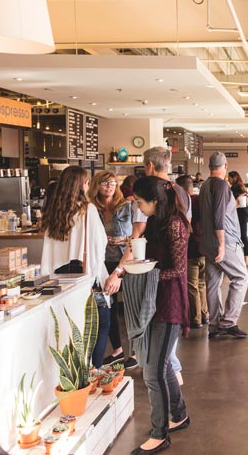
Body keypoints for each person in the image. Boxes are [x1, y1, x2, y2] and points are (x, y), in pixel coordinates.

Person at [131, 175, 190, 455]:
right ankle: (178, 415)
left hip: (170, 304)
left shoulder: (176, 225)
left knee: (153, 372)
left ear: (154, 201)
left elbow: (179, 270)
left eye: (140, 202)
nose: (139, 207)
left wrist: (147, 275)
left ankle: (160, 434)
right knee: (162, 365)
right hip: (155, 301)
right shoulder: (155, 222)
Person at [39, 166, 114, 369]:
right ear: (82, 185)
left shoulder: (53, 212)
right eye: (87, 182)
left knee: (66, 327)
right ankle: (93, 370)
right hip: (84, 279)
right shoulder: (87, 209)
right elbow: (99, 244)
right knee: (99, 324)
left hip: (56, 279)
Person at [88, 171, 136, 369]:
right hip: (102, 263)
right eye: (105, 183)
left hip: (125, 260)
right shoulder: (92, 209)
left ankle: (135, 352)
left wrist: (122, 241)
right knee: (108, 308)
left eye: (113, 183)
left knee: (132, 307)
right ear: (97, 185)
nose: (110, 187)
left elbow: (135, 234)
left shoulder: (126, 207)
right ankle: (117, 350)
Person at [199, 152, 248, 339]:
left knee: (213, 283)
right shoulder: (221, 185)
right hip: (224, 242)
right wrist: (221, 244)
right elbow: (218, 216)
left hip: (207, 242)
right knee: (241, 277)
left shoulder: (204, 185)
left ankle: (214, 325)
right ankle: (228, 322)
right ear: (225, 166)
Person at [133, 147, 191, 239]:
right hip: (178, 247)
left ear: (150, 165)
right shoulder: (183, 192)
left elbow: (139, 229)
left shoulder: (146, 191)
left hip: (154, 247)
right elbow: (187, 225)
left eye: (144, 165)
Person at [176, 175, 207, 330]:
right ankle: (205, 314)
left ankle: (196, 319)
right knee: (201, 283)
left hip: (191, 249)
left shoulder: (183, 203)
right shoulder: (202, 201)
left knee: (191, 286)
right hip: (205, 248)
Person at [228, 170, 248, 266]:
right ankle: (245, 257)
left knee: (242, 236)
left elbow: (236, 202)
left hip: (240, 214)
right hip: (244, 213)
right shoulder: (241, 186)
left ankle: (246, 258)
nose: (228, 179)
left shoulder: (235, 187)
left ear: (234, 177)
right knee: (242, 235)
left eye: (229, 178)